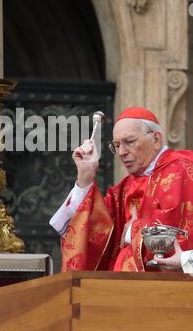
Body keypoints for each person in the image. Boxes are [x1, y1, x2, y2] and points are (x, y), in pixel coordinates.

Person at [50, 107, 193, 273]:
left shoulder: (182, 169)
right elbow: (89, 229)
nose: (122, 152)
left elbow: (174, 229)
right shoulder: (126, 186)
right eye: (116, 145)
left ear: (155, 139)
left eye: (129, 142)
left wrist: (133, 230)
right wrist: (85, 178)